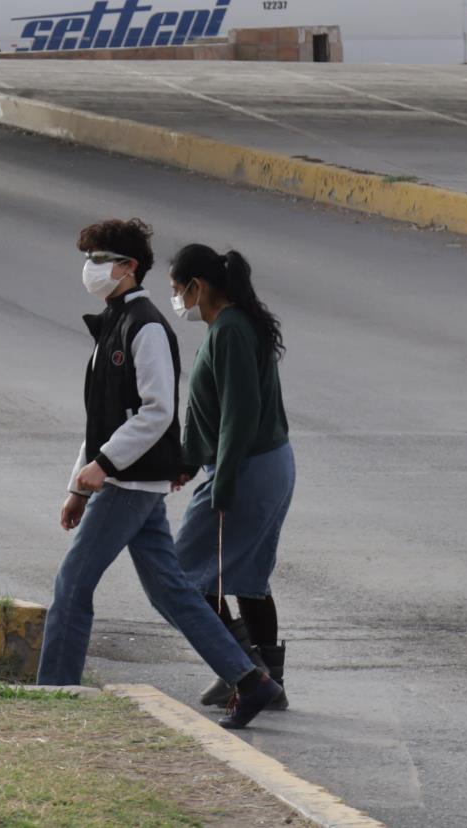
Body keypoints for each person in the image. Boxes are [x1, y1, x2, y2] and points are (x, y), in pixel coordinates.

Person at [37, 219, 283, 729]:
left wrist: (102, 468)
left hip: (130, 482)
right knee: (170, 591)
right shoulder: (114, 323)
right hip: (125, 480)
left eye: (101, 260)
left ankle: (53, 698)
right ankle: (251, 680)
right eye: (89, 259)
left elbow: (156, 413)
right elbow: (101, 421)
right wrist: (76, 486)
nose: (91, 269)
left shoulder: (147, 327)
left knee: (72, 585)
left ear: (129, 267)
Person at [168, 244, 296, 711]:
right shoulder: (230, 326)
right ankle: (263, 679)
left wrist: (221, 482)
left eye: (177, 290)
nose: (177, 300)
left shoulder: (231, 331)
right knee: (245, 577)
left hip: (246, 470)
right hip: (258, 465)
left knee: (179, 574)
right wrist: (188, 461)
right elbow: (215, 412)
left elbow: (239, 416)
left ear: (198, 287)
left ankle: (245, 671)